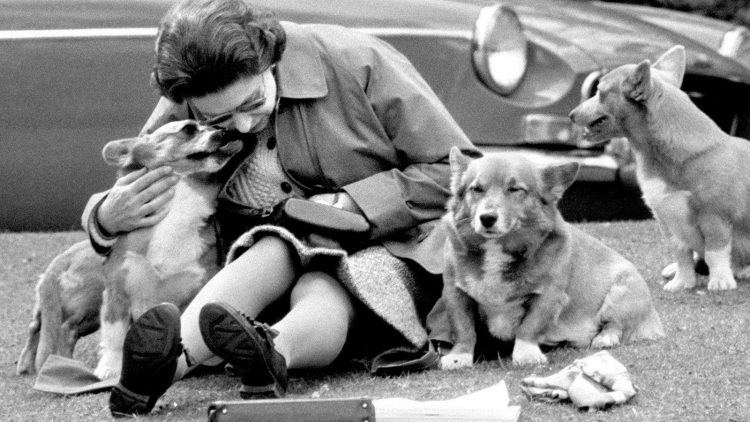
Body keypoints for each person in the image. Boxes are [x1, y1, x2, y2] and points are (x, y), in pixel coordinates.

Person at [81, 0, 478, 416]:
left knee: (326, 282)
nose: (245, 125)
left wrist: (351, 203)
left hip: (388, 246)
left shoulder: (359, 61)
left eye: (252, 104)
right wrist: (104, 218)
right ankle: (162, 367)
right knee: (275, 246)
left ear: (269, 58)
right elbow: (135, 170)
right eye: (221, 119)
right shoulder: (194, 90)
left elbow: (459, 171)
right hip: (263, 259)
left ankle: (273, 351)